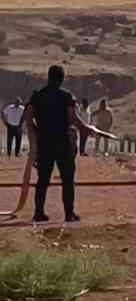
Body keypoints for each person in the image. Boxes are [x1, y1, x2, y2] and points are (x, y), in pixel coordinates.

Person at [23, 65, 96, 222]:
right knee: (68, 179)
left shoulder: (38, 96)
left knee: (43, 179)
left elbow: (28, 118)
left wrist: (36, 132)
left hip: (45, 143)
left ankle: (38, 212)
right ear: (62, 79)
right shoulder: (66, 96)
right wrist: (85, 128)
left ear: (49, 77)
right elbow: (73, 118)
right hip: (63, 142)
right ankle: (69, 213)